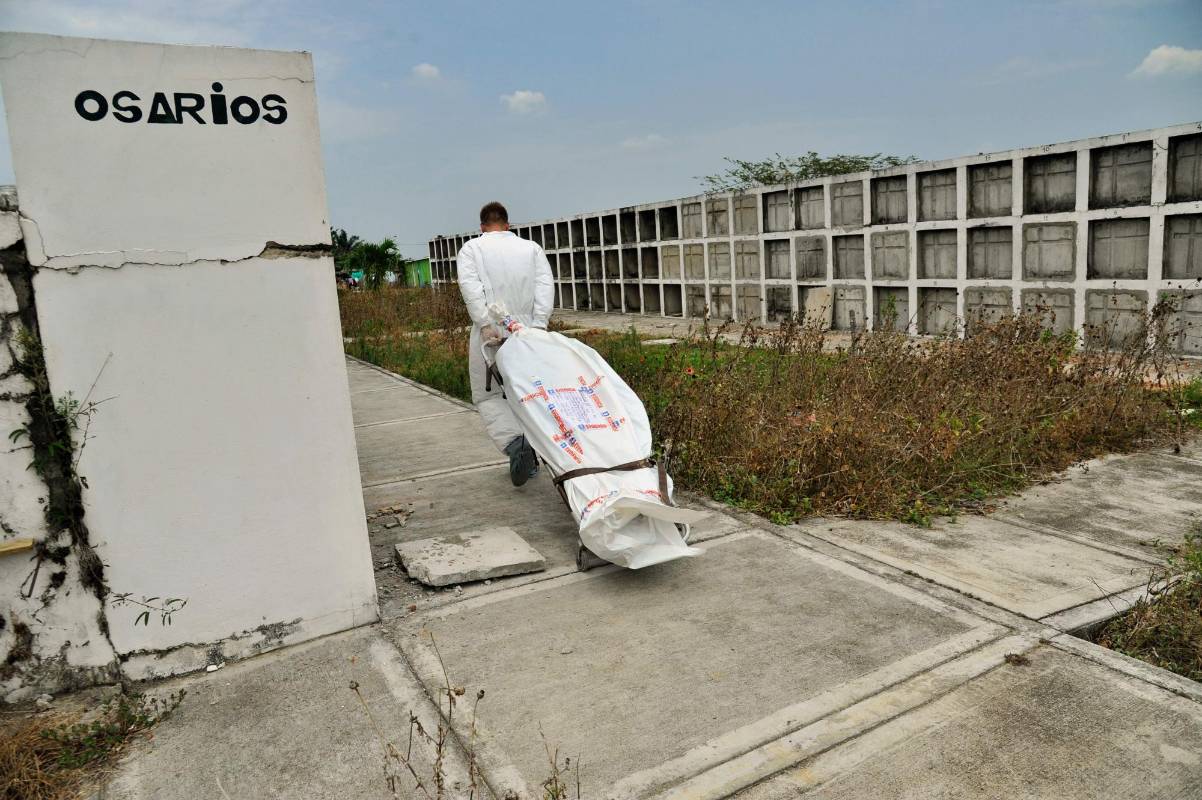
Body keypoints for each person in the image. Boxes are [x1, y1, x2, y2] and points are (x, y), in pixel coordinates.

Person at [457, 201, 555, 486]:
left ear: (482, 227)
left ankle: (516, 444)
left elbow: (471, 289)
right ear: (509, 225)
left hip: (490, 333)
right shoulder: (531, 249)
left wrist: (485, 324)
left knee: (489, 394)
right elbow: (544, 287)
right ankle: (540, 451)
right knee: (530, 392)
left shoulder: (471, 250)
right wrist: (538, 326)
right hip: (528, 330)